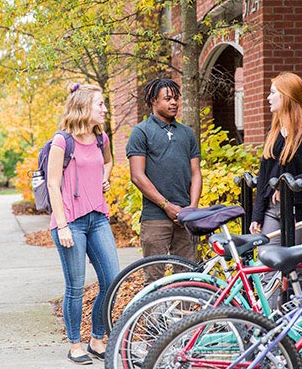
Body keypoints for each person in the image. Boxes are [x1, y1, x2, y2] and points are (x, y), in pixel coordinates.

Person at [47, 83, 120, 365]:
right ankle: (74, 344)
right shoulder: (62, 141)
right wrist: (63, 226)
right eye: (100, 104)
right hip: (70, 222)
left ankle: (97, 339)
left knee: (111, 280)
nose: (104, 109)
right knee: (75, 286)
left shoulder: (102, 138)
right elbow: (54, 184)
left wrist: (105, 176)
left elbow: (110, 162)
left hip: (98, 218)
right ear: (84, 107)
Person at [249, 72, 302, 305]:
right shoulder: (274, 132)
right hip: (272, 211)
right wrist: (256, 215)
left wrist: (291, 182)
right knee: (268, 266)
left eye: (273, 92)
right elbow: (264, 177)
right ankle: (272, 325)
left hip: (299, 212)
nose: (268, 98)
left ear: (286, 96)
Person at [126, 78, 202, 280]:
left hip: (186, 218)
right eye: (168, 98)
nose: (174, 103)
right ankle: (157, 313)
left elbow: (196, 173)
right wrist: (166, 205)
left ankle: (184, 314)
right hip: (155, 218)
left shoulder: (187, 133)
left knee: (186, 276)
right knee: (154, 277)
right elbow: (137, 176)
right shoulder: (141, 132)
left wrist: (192, 208)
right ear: (153, 101)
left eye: (176, 98)